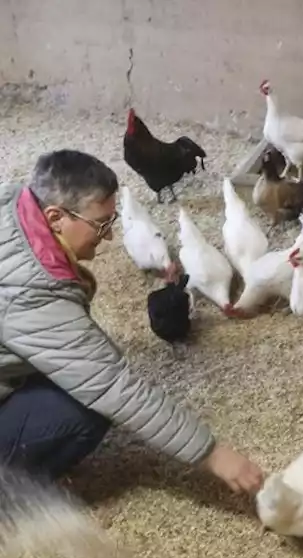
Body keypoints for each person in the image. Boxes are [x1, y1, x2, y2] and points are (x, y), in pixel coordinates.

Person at [0, 150, 263, 495]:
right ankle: (11, 493)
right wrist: (213, 454)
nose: (108, 236)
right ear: (54, 218)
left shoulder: (11, 207)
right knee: (85, 407)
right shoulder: (30, 293)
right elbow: (112, 386)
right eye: (101, 224)